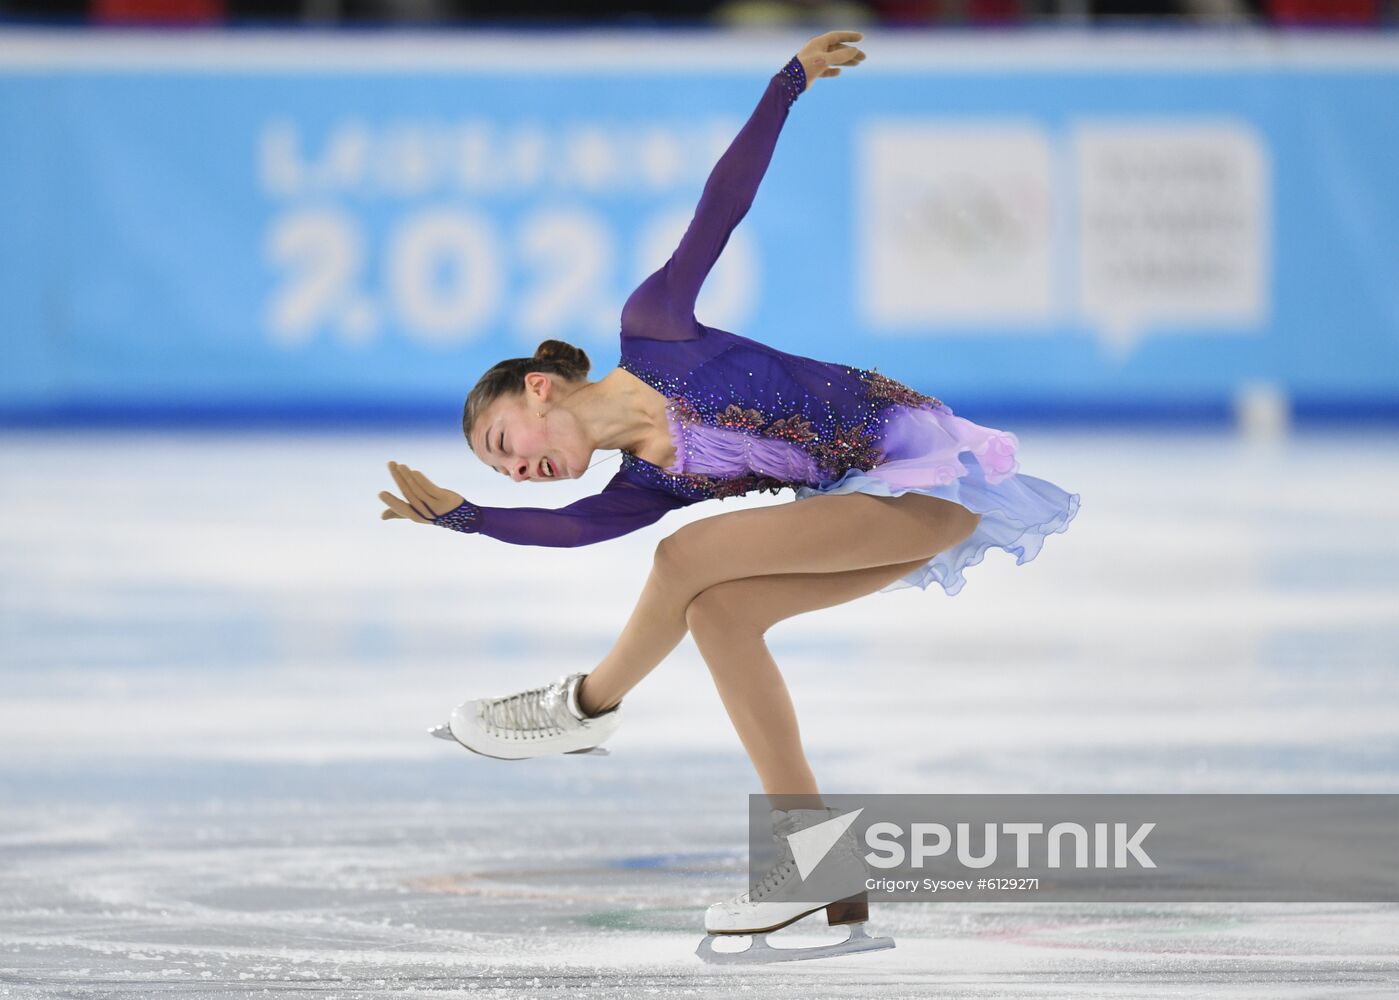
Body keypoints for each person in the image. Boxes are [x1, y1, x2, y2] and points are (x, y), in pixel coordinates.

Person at [378, 30, 1080, 961]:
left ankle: (581, 710)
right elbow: (572, 531)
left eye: (509, 444)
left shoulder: (655, 331)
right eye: (503, 473)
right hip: (876, 512)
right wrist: (463, 518)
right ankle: (819, 877)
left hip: (927, 474)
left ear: (539, 389)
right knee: (720, 616)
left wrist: (785, 85)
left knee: (683, 563)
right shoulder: (647, 482)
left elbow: (722, 205)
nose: (519, 470)